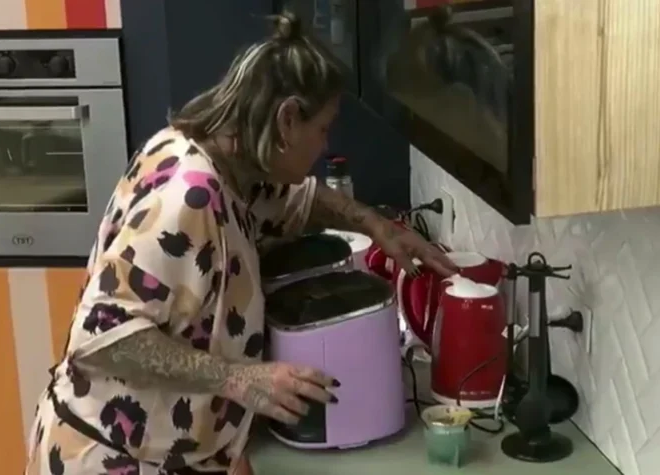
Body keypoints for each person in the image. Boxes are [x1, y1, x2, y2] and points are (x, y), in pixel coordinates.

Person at [25, 11, 457, 475]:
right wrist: (239, 380)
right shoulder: (189, 198)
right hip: (110, 459)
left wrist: (374, 224)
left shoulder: (226, 162)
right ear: (287, 119)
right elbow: (103, 337)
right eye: (322, 129)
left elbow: (293, 199)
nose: (324, 144)